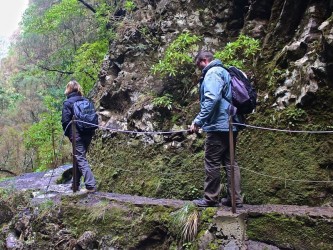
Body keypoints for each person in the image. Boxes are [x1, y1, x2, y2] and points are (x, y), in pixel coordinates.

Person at [190, 51, 243, 207]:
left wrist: (198, 121)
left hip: (219, 125)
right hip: (231, 123)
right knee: (230, 161)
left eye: (199, 65)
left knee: (212, 161)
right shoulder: (224, 71)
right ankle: (235, 199)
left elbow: (212, 99)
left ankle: (210, 198)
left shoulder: (212, 73)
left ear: (204, 60)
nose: (200, 69)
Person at [61, 80, 97, 193]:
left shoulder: (68, 103)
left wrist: (70, 135)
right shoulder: (86, 101)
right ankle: (75, 184)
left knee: (80, 158)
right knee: (78, 157)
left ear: (68, 89)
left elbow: (65, 121)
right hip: (89, 132)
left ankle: (90, 185)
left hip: (77, 135)